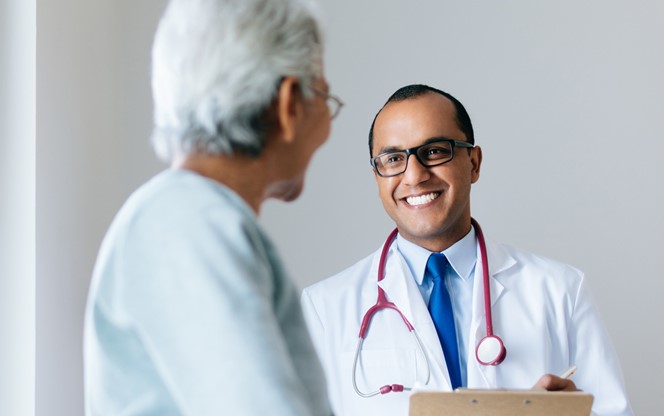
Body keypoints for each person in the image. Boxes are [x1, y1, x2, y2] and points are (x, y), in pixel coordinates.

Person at [300, 84, 632, 416]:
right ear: (377, 176)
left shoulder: (561, 291)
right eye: (393, 159)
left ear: (473, 163)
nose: (414, 176)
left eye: (434, 151)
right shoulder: (324, 309)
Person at [83, 0, 341, 414]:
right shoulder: (184, 222)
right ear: (289, 104)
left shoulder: (190, 218)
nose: (328, 124)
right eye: (326, 100)